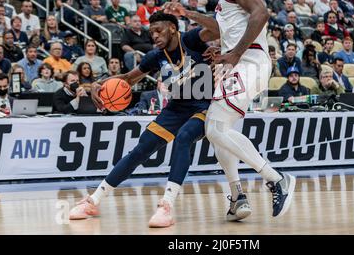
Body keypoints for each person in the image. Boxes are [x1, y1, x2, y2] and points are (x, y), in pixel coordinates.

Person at [166, 0, 296, 219]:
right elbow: (220, 26)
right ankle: (237, 197)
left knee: (213, 127)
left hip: (249, 63)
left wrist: (236, 52)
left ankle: (276, 178)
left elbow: (262, 13)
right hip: (243, 63)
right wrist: (188, 14)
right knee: (218, 132)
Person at [68, 12, 232, 228]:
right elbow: (128, 78)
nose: (153, 35)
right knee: (141, 149)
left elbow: (218, 29)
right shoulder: (156, 56)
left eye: (158, 30)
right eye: (150, 32)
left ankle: (166, 206)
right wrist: (97, 83)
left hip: (204, 107)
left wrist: (185, 12)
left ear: (172, 28)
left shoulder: (190, 40)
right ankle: (93, 200)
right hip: (176, 108)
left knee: (183, 138)